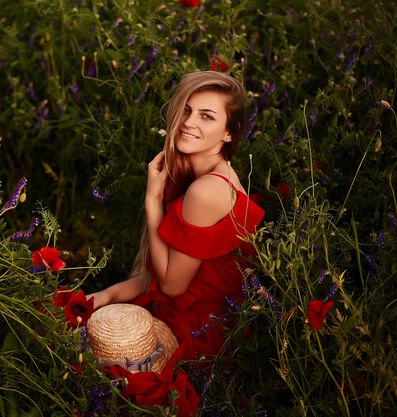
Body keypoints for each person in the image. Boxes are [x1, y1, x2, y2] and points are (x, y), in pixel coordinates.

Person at [88, 70, 265, 374]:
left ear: (229, 133)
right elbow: (154, 277)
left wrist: (152, 202)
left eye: (207, 116)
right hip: (182, 314)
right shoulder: (193, 174)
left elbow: (171, 285)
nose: (188, 122)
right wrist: (107, 295)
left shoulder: (207, 190)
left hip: (200, 336)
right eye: (186, 109)